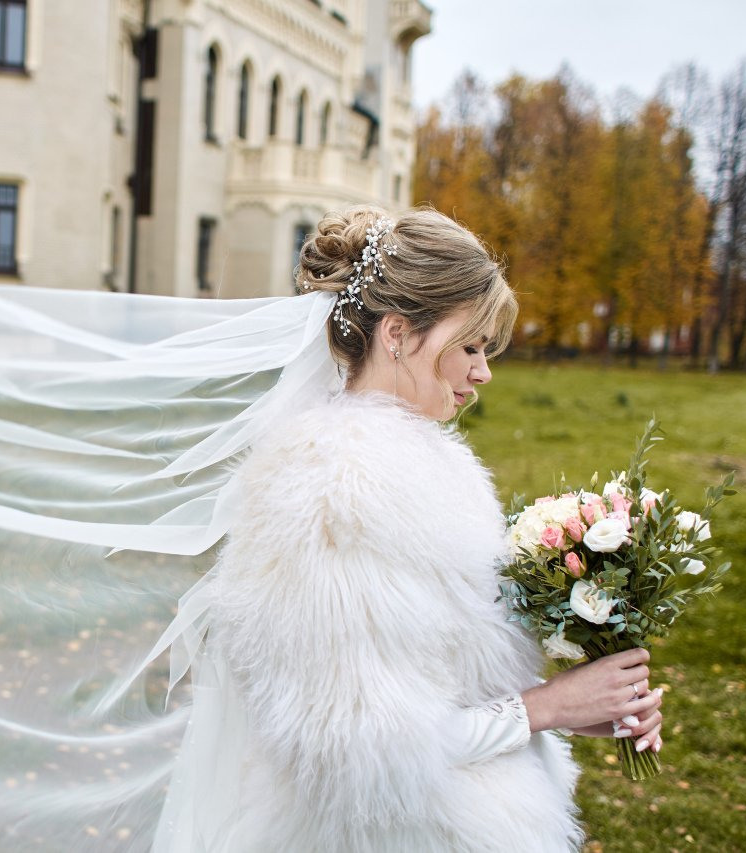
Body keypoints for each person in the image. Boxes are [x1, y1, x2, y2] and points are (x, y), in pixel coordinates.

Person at [153, 207, 664, 852]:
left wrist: (581, 705)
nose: (482, 372)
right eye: (470, 346)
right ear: (396, 333)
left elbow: (453, 681)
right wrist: (548, 708)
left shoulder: (429, 464)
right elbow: (354, 751)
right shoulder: (329, 492)